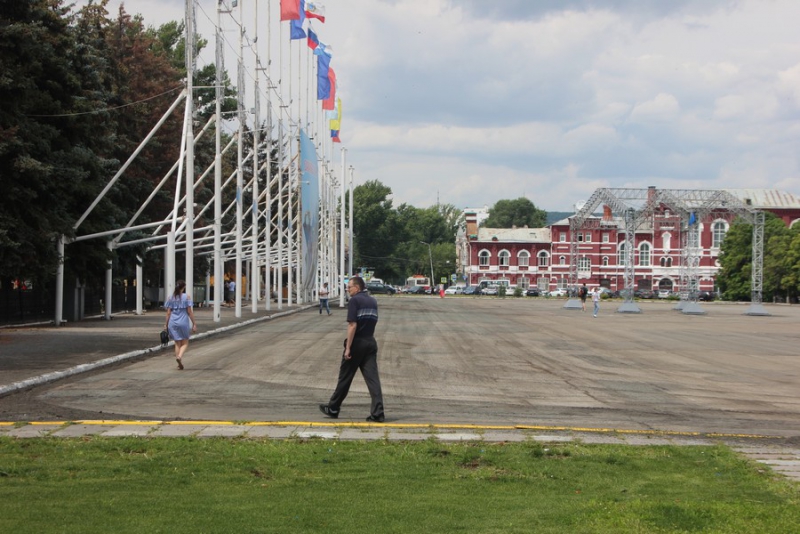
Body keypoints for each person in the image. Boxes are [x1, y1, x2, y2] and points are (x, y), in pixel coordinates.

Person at [320, 276, 385, 422]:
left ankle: (333, 407)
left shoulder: (355, 301)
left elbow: (352, 325)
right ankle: (378, 412)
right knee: (373, 380)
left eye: (349, 287)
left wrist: (348, 347)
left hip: (357, 342)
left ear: (357, 288)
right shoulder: (373, 301)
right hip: (370, 341)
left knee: (345, 377)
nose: (347, 289)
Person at [164, 280, 197, 370]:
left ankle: (179, 364)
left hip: (172, 322)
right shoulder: (187, 297)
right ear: (184, 287)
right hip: (183, 322)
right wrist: (194, 323)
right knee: (185, 342)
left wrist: (165, 324)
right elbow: (189, 312)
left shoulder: (170, 298)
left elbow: (168, 313)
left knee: (177, 342)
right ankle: (179, 357)